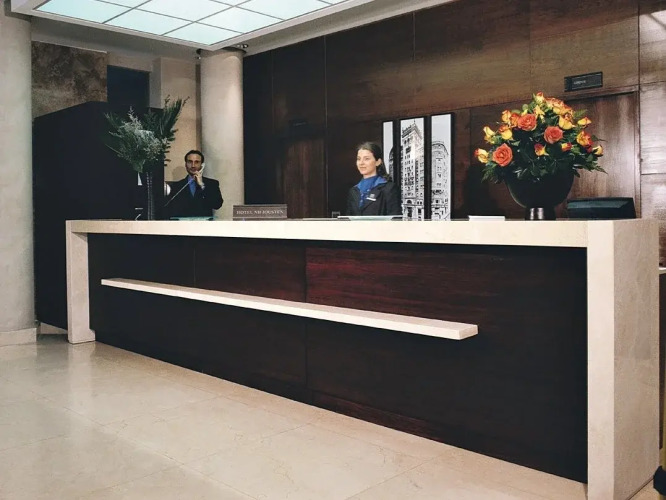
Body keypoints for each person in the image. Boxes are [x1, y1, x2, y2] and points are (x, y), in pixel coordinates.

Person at [346, 142, 401, 216]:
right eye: (359, 159)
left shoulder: (389, 188)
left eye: (366, 159)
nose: (361, 163)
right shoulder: (353, 191)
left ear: (378, 162)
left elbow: (395, 218)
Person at [165, 150, 223, 218]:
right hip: (183, 223)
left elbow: (217, 205)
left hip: (204, 223)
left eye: (197, 162)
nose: (193, 165)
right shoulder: (176, 186)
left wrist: (202, 185)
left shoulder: (212, 184)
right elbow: (170, 210)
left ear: (202, 165)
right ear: (186, 164)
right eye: (190, 162)